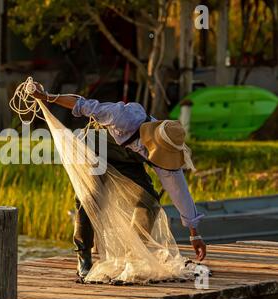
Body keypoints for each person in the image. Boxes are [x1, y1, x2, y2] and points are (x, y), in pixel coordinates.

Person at [31, 85, 207, 279]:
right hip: (94, 148)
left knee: (149, 202)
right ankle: (84, 256)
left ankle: (131, 258)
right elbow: (83, 104)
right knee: (90, 197)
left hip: (127, 159)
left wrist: (194, 234)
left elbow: (179, 192)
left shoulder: (165, 154)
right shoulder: (125, 117)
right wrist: (48, 96)